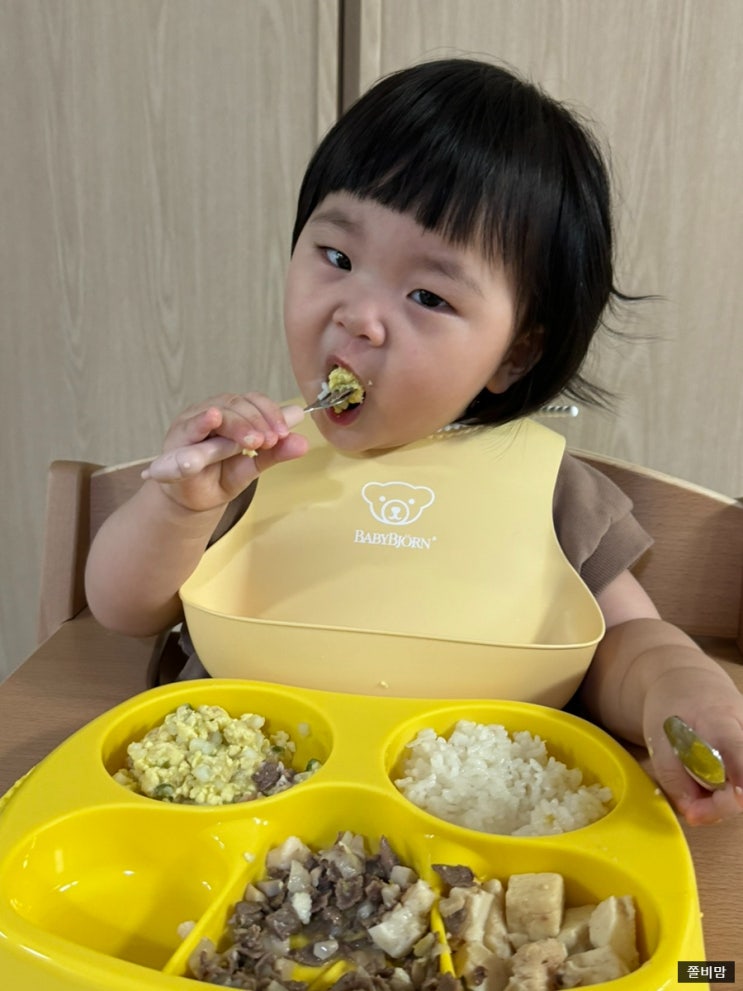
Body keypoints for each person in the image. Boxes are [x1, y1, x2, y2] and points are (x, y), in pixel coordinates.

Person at [84, 58, 743, 826]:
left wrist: (678, 686)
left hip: (471, 841)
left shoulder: (550, 490)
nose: (358, 316)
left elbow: (627, 639)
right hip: (231, 817)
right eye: (336, 258)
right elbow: (124, 610)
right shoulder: (248, 461)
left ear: (515, 354)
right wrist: (176, 510)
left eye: (428, 295)